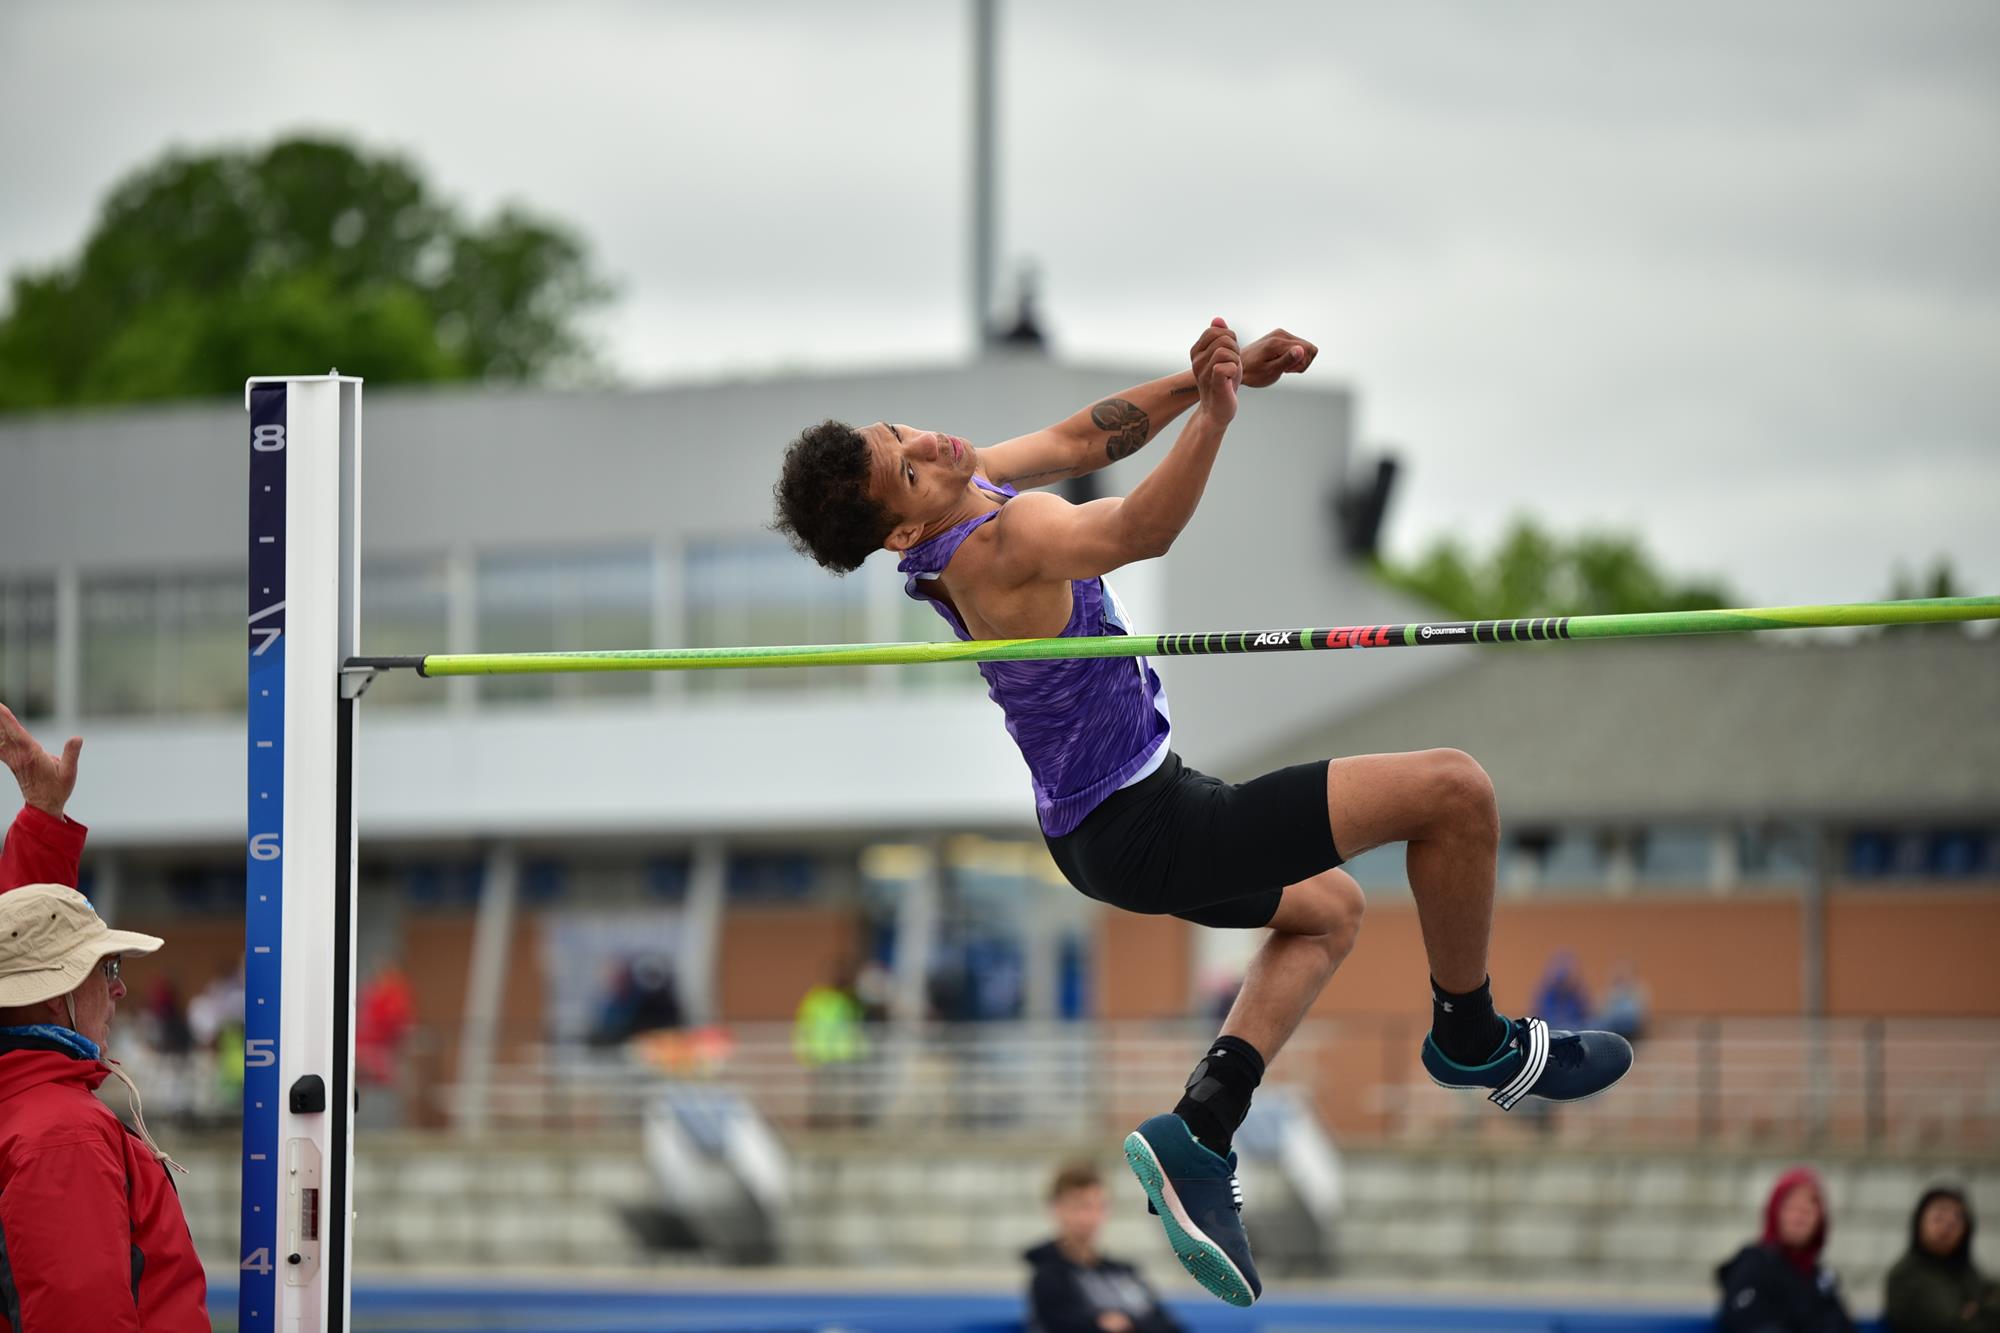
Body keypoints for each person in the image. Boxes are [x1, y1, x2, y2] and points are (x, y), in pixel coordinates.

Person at [772, 320, 1633, 1305]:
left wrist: (1198, 381)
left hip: (1105, 830)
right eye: (911, 471)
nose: (930, 448)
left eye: (905, 432)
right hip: (1147, 823)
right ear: (903, 531)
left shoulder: (957, 492)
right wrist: (1216, 420)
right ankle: (1470, 1034)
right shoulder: (1001, 539)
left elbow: (1076, 440)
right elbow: (1136, 531)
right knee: (1453, 790)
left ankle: (1202, 1124)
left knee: (1329, 909)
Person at [0, 702, 210, 1331]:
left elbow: (20, 945)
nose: (119, 991)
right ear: (54, 996)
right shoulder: (59, 1135)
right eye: (105, 970)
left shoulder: (28, 1106)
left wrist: (42, 820)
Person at [1025, 1162, 1187, 1333]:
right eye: (1080, 1206)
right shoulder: (1048, 1278)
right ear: (1057, 1208)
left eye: (1098, 1206)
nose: (1089, 1217)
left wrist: (1125, 1323)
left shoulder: (1124, 1272)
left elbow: (1169, 1326)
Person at [1716, 1166, 1856, 1332]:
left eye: (1807, 1211)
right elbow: (1749, 1323)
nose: (1799, 1218)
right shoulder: (1753, 1266)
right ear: (1775, 1213)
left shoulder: (1821, 1279)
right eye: (1791, 1208)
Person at [1884, 1185, 2000, 1332]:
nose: (1946, 1228)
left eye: (1954, 1223)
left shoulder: (1965, 1270)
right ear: (1920, 1221)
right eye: (1938, 1219)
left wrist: (1977, 1310)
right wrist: (1980, 1310)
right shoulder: (1907, 1275)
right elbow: (1953, 1326)